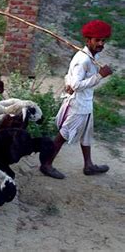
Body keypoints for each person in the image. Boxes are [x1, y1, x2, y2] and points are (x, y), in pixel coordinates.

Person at [40, 19, 113, 179]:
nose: (101, 43)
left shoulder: (93, 56)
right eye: (97, 40)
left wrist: (70, 82)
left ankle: (89, 165)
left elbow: (69, 77)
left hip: (86, 103)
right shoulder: (83, 60)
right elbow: (76, 84)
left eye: (103, 40)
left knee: (87, 134)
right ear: (88, 40)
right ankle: (46, 165)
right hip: (77, 105)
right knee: (63, 135)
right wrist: (100, 76)